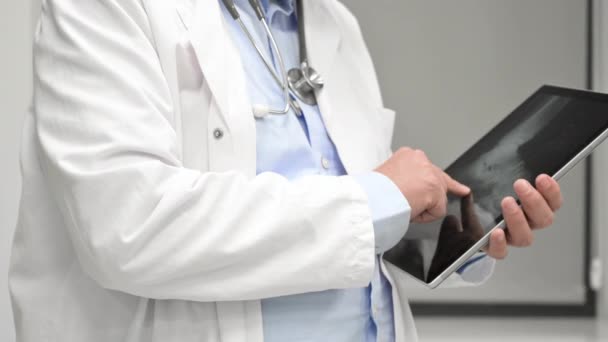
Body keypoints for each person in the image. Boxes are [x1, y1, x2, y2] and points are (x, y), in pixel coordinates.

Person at [9, 0, 562, 341]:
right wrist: (379, 198)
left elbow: (350, 219)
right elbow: (127, 227)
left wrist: (451, 228)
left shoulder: (332, 22)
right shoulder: (105, 7)